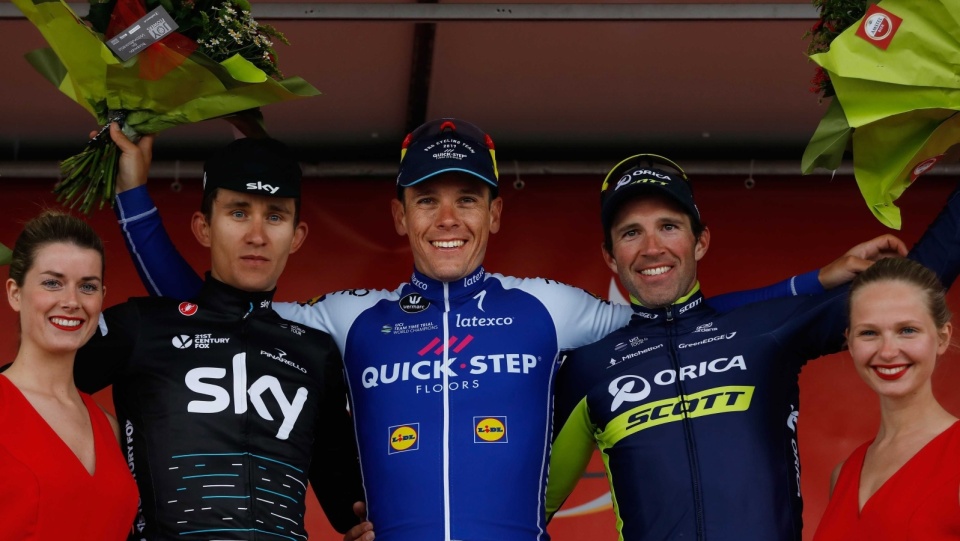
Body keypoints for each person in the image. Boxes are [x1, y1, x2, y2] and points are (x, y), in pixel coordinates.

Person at [106, 119, 878, 541]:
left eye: (467, 200)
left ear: (495, 213)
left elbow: (685, 318)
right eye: (427, 200)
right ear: (399, 214)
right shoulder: (352, 318)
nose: (447, 219)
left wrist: (813, 284)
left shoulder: (549, 305)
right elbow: (207, 320)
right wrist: (135, 193)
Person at [546, 154, 960, 540]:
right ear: (610, 256)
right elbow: (522, 511)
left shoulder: (763, 329)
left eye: (669, 226)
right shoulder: (589, 366)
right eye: (631, 232)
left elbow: (912, 291)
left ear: (701, 241)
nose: (652, 247)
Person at [72, 130, 368, 541]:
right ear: (204, 227)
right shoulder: (142, 325)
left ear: (297, 237)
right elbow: (25, 394)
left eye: (276, 216)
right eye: (239, 213)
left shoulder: (314, 352)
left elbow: (350, 509)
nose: (257, 235)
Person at [1, 211, 138, 540]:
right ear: (15, 293)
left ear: (102, 297)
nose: (72, 301)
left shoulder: (109, 426)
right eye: (52, 283)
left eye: (87, 287)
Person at [812, 257, 960, 540]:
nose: (888, 351)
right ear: (851, 344)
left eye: (907, 330)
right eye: (869, 333)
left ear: (941, 338)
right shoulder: (843, 474)